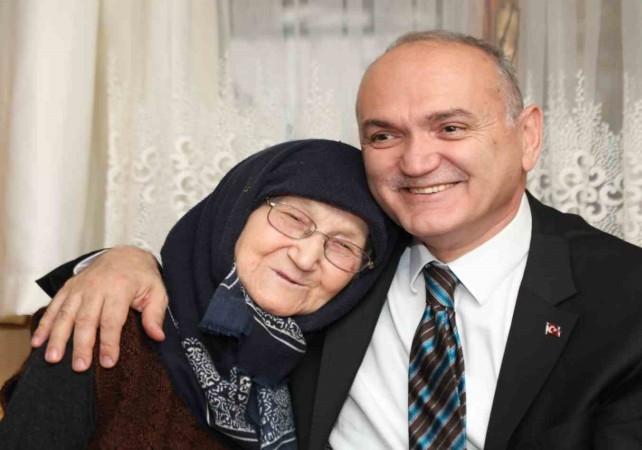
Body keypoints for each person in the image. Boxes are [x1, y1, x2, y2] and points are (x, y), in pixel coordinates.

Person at [27, 31, 642, 449]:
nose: (417, 161)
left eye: (450, 127)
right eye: (384, 135)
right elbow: (216, 276)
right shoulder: (342, 276)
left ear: (527, 137)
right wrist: (118, 261)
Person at [0, 139, 399, 449]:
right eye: (294, 218)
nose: (307, 257)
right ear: (238, 211)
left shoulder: (325, 379)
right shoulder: (109, 323)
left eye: (343, 245)